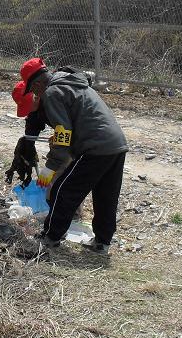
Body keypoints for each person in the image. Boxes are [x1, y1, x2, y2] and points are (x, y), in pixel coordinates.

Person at [19, 58, 128, 254]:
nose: (35, 96)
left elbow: (63, 132)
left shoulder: (51, 92)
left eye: (33, 91)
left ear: (36, 84)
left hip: (95, 147)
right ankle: (102, 243)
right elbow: (73, 123)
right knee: (106, 196)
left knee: (63, 190)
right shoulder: (72, 83)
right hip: (116, 144)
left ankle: (51, 237)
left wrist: (50, 166)